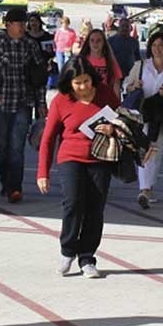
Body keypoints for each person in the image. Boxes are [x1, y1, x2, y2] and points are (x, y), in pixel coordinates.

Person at [37, 57, 121, 278]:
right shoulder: (60, 101)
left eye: (86, 81)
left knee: (95, 208)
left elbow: (122, 119)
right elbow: (48, 138)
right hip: (70, 157)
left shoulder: (104, 94)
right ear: (69, 83)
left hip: (100, 158)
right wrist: (42, 172)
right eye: (77, 83)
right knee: (73, 203)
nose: (83, 88)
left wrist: (112, 129)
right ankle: (67, 250)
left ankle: (87, 257)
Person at [0, 8, 48, 203]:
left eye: (24, 24)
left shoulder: (30, 46)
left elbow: (39, 77)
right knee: (3, 145)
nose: (22, 28)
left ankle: (14, 187)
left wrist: (41, 103)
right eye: (19, 24)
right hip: (1, 103)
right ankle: (5, 180)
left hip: (23, 103)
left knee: (17, 146)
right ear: (8, 25)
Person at [122, 31, 163, 209]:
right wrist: (134, 85)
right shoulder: (140, 66)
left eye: (161, 45)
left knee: (156, 152)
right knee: (144, 150)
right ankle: (144, 189)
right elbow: (126, 85)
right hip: (142, 114)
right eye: (154, 45)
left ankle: (149, 186)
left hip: (162, 116)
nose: (157, 49)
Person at [78, 28, 123, 98]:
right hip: (86, 97)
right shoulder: (82, 60)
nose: (95, 43)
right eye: (92, 40)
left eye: (99, 40)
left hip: (104, 97)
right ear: (88, 43)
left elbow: (116, 82)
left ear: (103, 43)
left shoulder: (110, 61)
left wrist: (116, 100)